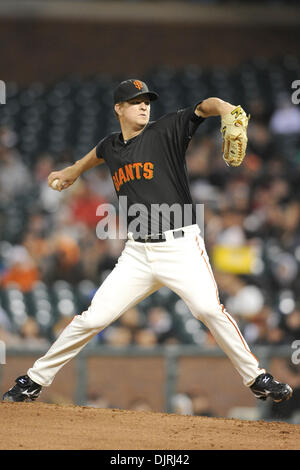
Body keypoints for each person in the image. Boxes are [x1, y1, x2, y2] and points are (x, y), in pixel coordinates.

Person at [3, 79, 292, 404]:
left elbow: (202, 106)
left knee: (209, 309)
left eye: (146, 101)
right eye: (135, 101)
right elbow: (98, 154)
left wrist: (224, 109)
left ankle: (256, 377)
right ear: (119, 109)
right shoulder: (112, 145)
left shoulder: (166, 130)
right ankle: (33, 380)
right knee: (93, 319)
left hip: (180, 246)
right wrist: (73, 170)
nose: (144, 105)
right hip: (137, 253)